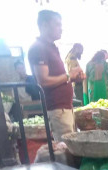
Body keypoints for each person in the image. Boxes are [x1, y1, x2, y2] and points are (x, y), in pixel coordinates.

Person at [28, 10, 83, 142]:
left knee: (70, 146)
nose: (61, 29)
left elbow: (58, 78)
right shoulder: (39, 48)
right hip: (57, 108)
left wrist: (73, 77)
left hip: (64, 107)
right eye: (57, 24)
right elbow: (43, 81)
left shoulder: (51, 47)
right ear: (45, 25)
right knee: (66, 148)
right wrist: (68, 75)